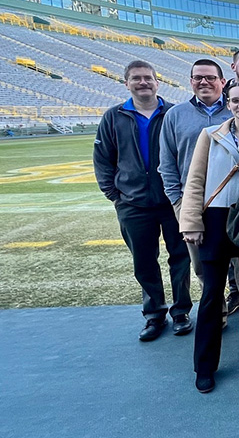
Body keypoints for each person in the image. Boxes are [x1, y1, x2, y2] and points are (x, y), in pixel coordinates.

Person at [93, 60, 192, 341]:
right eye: (136, 78)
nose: (143, 82)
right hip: (133, 204)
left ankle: (181, 312)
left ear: (157, 82)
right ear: (126, 83)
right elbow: (103, 160)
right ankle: (154, 314)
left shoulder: (173, 113)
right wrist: (115, 195)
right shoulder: (114, 117)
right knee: (144, 262)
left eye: (148, 77)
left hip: (172, 200)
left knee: (181, 258)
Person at [178, 82, 239, 393]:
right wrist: (191, 222)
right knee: (213, 294)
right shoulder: (210, 135)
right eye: (236, 100)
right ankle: (204, 365)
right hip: (214, 218)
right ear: (228, 104)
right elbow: (195, 178)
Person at [158, 59, 232, 297]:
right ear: (191, 82)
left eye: (210, 77)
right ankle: (216, 313)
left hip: (233, 199)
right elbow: (167, 162)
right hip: (194, 201)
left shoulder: (237, 109)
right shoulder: (175, 115)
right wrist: (178, 201)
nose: (204, 82)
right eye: (198, 77)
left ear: (222, 81)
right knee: (201, 264)